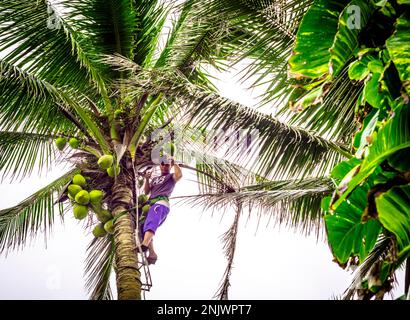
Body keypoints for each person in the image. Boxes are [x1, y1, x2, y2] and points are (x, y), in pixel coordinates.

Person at [139, 155, 182, 265]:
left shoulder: (171, 177)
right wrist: (147, 179)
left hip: (160, 203)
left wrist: (174, 163)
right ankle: (152, 253)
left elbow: (179, 175)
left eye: (167, 164)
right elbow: (146, 192)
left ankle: (144, 244)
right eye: (162, 164)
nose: (164, 166)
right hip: (151, 204)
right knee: (143, 226)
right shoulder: (155, 179)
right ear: (160, 165)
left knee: (151, 222)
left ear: (170, 166)